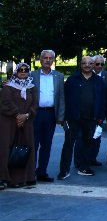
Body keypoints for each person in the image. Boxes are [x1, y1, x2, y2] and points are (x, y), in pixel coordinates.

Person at [58, 56, 106, 179]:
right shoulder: (72, 80)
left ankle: (84, 167)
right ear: (81, 64)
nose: (87, 65)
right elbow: (65, 98)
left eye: (90, 63)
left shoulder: (99, 80)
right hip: (73, 117)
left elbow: (102, 100)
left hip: (91, 118)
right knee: (68, 144)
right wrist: (63, 117)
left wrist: (100, 116)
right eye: (84, 63)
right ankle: (64, 170)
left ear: (93, 65)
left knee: (88, 143)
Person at [0, 63, 37, 188]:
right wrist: (17, 115)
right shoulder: (8, 87)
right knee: (6, 149)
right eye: (20, 70)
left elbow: (35, 104)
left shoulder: (31, 87)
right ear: (16, 71)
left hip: (26, 122)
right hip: (9, 122)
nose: (23, 72)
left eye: (26, 70)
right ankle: (4, 178)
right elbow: (5, 103)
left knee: (24, 149)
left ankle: (23, 178)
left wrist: (26, 115)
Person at [30, 49, 64, 183]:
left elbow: (61, 97)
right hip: (35, 114)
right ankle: (30, 173)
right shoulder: (32, 75)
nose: (48, 60)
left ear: (53, 60)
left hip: (50, 114)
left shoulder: (59, 76)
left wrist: (60, 116)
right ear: (40, 59)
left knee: (47, 144)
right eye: (45, 58)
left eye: (50, 58)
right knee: (33, 143)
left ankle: (42, 171)